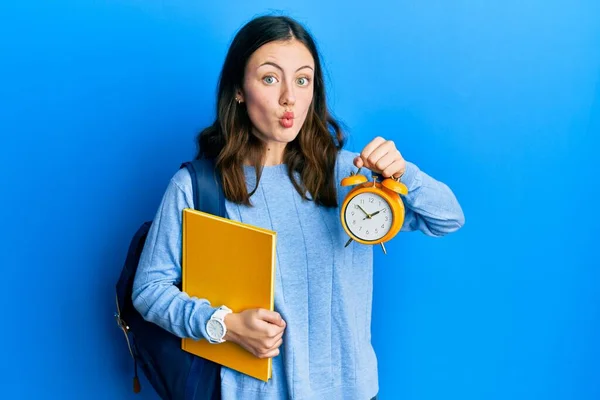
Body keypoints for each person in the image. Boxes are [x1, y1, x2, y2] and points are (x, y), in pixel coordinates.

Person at [132, 15, 464, 400]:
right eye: (270, 78)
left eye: (302, 80)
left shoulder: (349, 175)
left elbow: (448, 218)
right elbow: (148, 290)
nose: (289, 97)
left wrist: (405, 172)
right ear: (239, 90)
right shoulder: (197, 187)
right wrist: (225, 325)